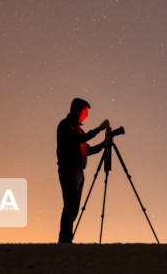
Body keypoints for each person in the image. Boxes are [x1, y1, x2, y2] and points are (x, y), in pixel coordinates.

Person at [56, 98, 110, 243]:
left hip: (79, 173)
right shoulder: (65, 126)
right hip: (68, 171)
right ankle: (64, 240)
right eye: (86, 112)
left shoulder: (79, 130)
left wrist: (103, 145)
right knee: (69, 207)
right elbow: (78, 140)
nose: (87, 115)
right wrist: (98, 129)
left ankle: (66, 240)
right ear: (78, 110)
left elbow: (87, 149)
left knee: (74, 208)